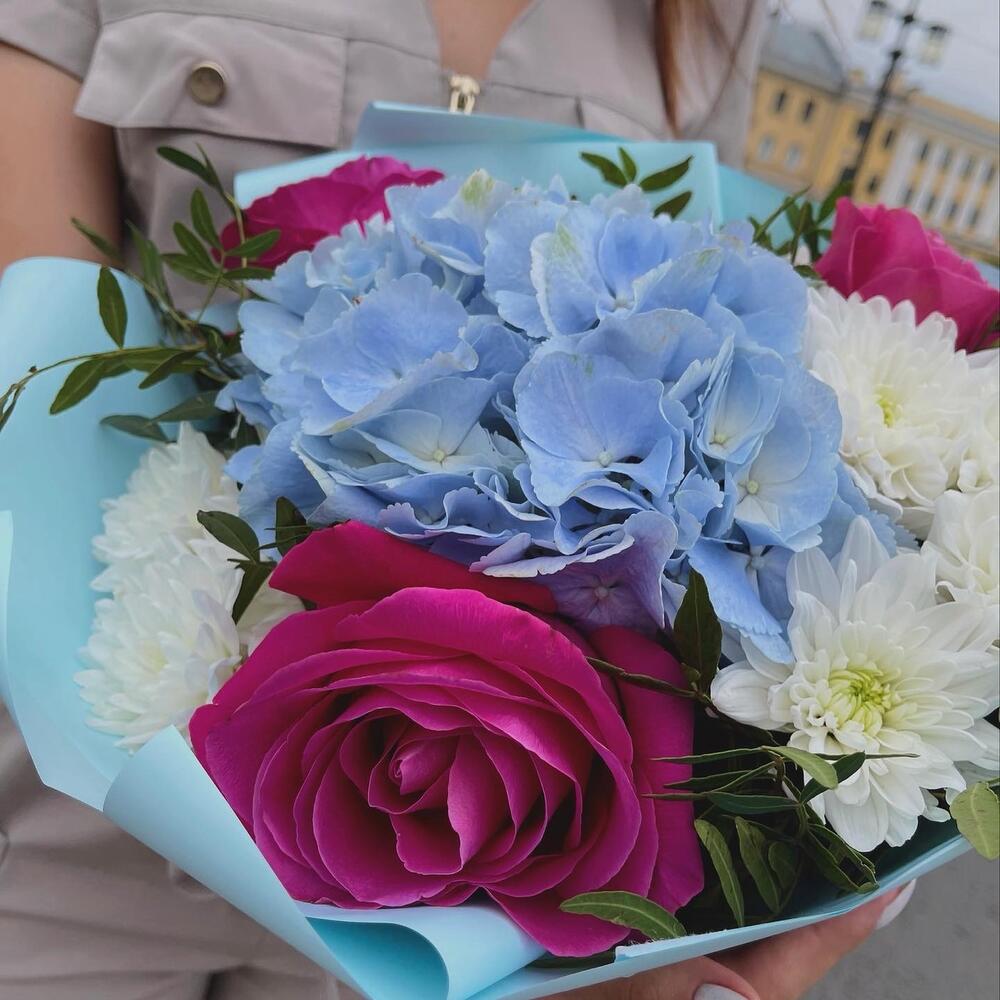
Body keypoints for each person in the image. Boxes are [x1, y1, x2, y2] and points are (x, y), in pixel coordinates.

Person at [0, 2, 915, 997]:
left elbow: (694, 295)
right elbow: (33, 361)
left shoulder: (700, 17)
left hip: (444, 880)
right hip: (89, 821)